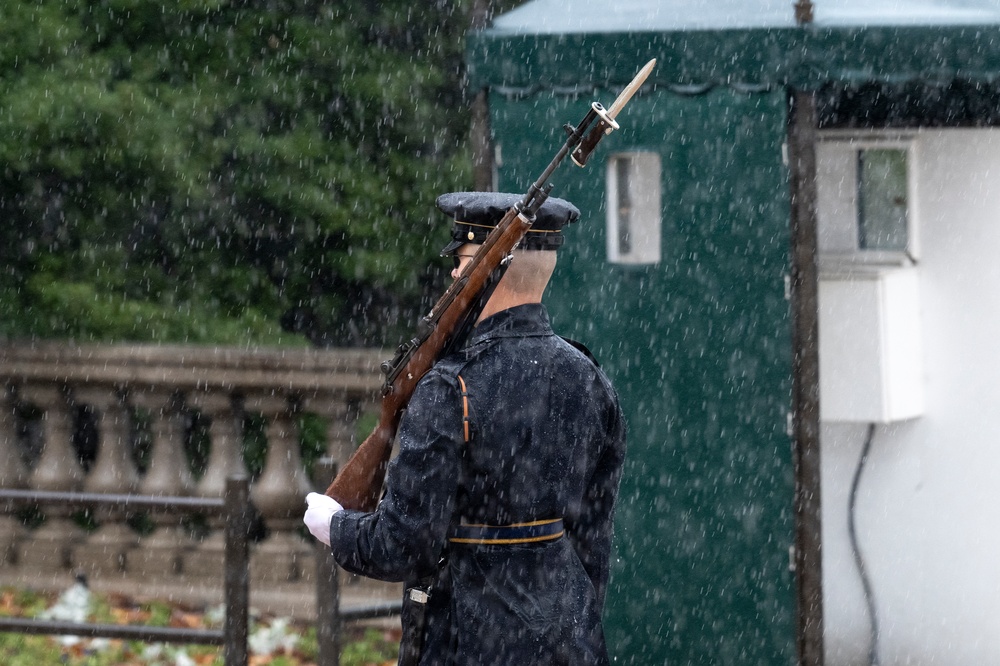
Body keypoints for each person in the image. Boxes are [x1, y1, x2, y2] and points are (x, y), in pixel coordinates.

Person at [304, 191, 627, 666]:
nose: (455, 274)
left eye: (463, 262)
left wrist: (336, 526)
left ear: (486, 271)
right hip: (568, 641)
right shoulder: (590, 377)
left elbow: (404, 544)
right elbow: (593, 542)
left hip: (465, 644)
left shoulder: (450, 387)